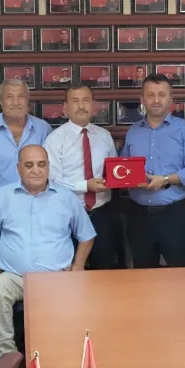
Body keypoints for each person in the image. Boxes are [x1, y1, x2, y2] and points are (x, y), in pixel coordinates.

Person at [0, 146, 96, 358]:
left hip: (57, 277)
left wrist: (78, 266)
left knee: (76, 296)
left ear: (48, 167)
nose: (36, 170)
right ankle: (6, 358)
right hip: (15, 277)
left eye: (41, 164)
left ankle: (58, 356)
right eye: (29, 165)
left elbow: (86, 235)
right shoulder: (2, 196)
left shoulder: (66, 197)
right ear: (18, 168)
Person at [121, 74, 185, 268]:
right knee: (144, 277)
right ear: (142, 99)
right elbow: (124, 168)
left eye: (161, 94)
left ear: (170, 99)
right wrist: (129, 179)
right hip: (139, 217)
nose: (156, 100)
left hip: (175, 216)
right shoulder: (133, 131)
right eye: (150, 95)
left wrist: (167, 179)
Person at [44, 84, 122, 269]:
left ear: (93, 106)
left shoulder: (105, 137)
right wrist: (85, 186)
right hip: (68, 216)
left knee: (104, 271)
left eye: (86, 100)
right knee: (68, 272)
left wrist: (116, 180)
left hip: (102, 214)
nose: (81, 106)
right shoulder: (54, 139)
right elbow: (52, 181)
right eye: (75, 101)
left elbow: (114, 171)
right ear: (65, 108)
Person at [0, 78, 51, 236]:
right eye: (9, 97)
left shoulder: (43, 129)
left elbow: (51, 172)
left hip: (38, 204)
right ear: (0, 101)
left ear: (28, 101)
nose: (16, 102)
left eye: (21, 96)